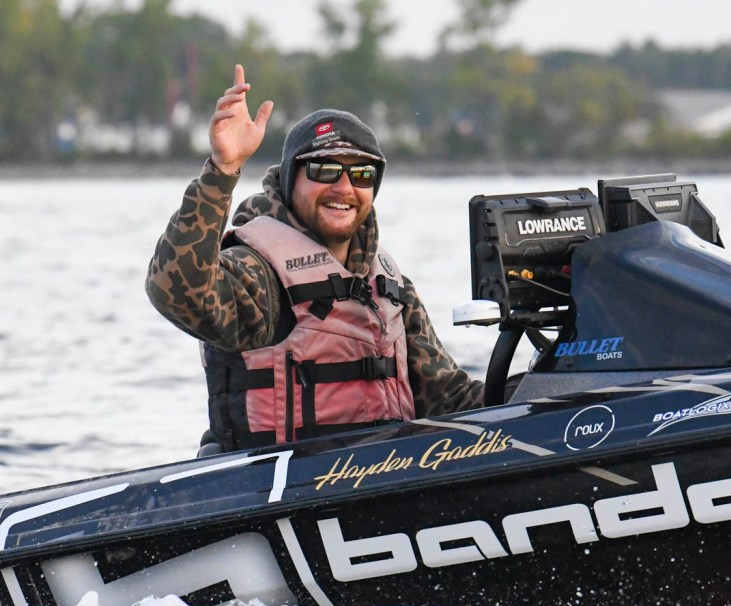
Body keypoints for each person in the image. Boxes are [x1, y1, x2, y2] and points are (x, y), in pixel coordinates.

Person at [146, 64, 483, 454]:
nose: (344, 188)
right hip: (283, 478)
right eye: (325, 170)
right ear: (292, 179)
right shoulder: (257, 275)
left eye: (362, 174)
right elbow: (176, 291)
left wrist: (542, 383)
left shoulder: (391, 287)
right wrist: (222, 171)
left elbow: (450, 400)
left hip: (385, 472)